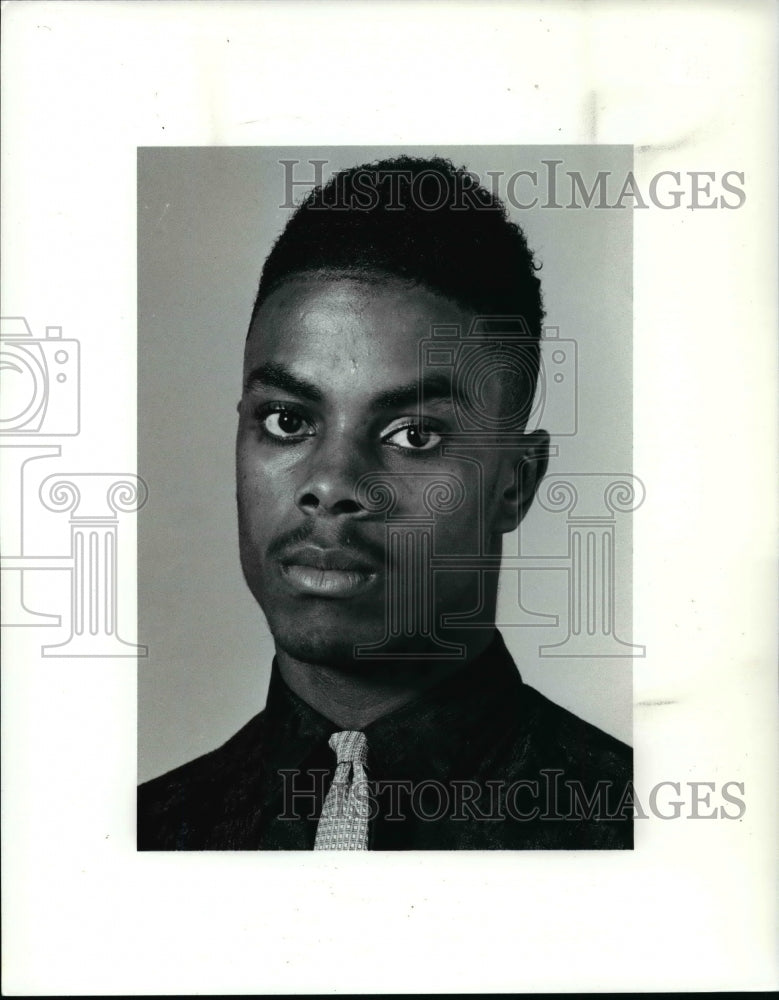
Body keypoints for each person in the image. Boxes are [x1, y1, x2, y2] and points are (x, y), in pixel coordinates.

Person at [138, 156, 633, 850]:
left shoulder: (643, 836)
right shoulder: (145, 838)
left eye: (415, 434)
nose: (334, 483)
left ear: (514, 484)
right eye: (287, 421)